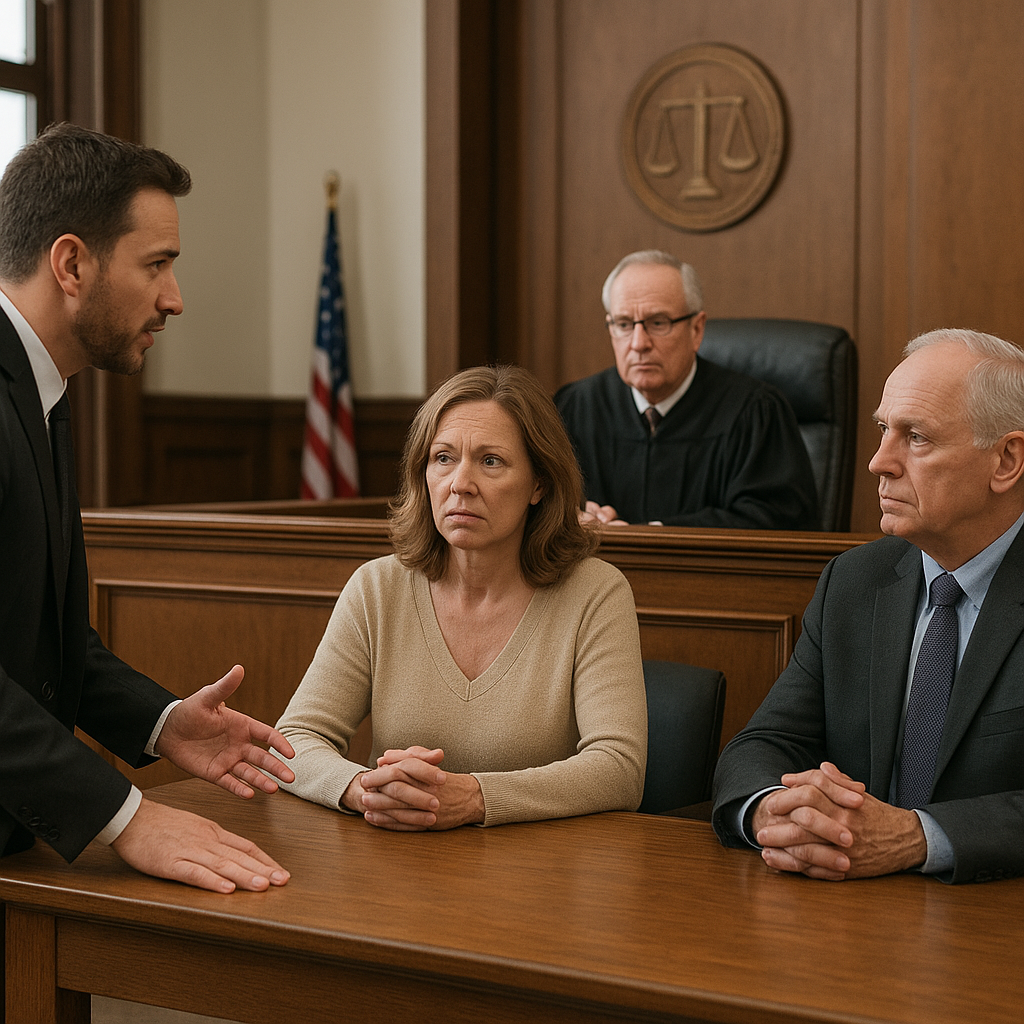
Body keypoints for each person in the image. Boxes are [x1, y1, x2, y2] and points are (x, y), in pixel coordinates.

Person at [0, 123, 296, 894]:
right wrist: (126, 817)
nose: (174, 298)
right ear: (71, 264)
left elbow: (41, 639)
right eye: (156, 264)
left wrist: (162, 724)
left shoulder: (42, 388)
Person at [712, 328, 1024, 883]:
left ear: (1006, 460)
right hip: (847, 904)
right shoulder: (855, 580)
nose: (879, 462)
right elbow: (766, 742)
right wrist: (775, 811)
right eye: (883, 430)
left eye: (917, 437)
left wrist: (917, 838)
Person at [276, 365, 647, 828]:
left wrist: (474, 798)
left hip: (541, 863)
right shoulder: (376, 587)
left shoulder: (596, 592)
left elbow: (618, 768)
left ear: (539, 483)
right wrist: (364, 790)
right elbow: (293, 739)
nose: (460, 483)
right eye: (443, 458)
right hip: (394, 854)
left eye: (491, 461)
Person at [555, 250, 818, 529]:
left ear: (696, 329)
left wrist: (651, 535)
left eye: (658, 323)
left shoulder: (755, 411)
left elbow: (774, 520)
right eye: (623, 324)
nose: (638, 343)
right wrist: (574, 516)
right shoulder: (574, 407)